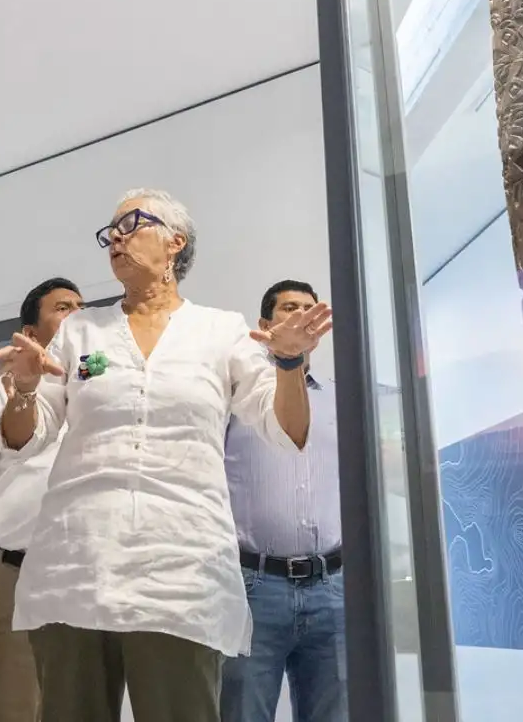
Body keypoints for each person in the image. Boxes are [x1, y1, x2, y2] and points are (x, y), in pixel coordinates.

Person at [0, 189, 334, 722]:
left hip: (181, 575)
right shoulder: (82, 333)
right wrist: (22, 388)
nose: (116, 238)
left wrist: (289, 363)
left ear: (176, 242)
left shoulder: (220, 331)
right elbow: (26, 439)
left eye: (131, 223)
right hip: (76, 566)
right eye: (109, 232)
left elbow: (286, 430)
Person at [0, 276, 85, 722]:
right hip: (15, 583)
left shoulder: (96, 399)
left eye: (81, 307)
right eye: (63, 308)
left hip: (85, 585)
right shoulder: (0, 393)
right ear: (29, 334)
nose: (77, 314)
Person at [222, 279, 345, 722]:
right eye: (289, 308)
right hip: (254, 587)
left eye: (309, 308)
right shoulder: (236, 402)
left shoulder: (341, 399)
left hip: (332, 587)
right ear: (264, 325)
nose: (301, 316)